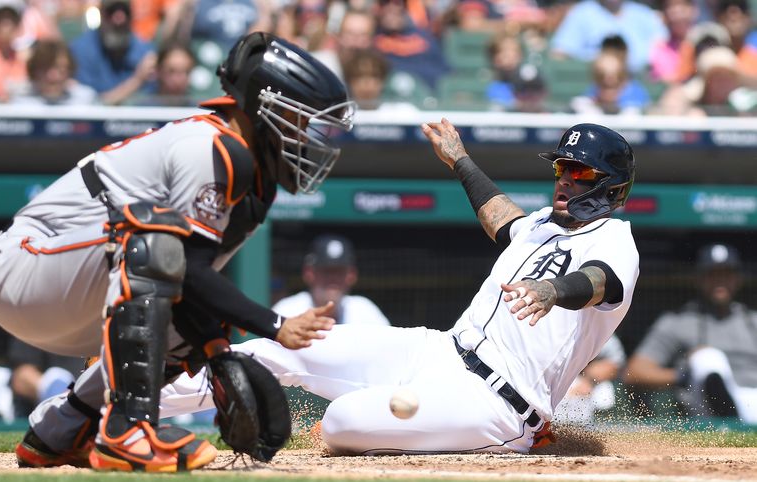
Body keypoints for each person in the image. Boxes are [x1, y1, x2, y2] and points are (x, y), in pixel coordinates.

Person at [0, 32, 355, 471]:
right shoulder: (211, 146)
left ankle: (63, 429)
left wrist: (216, 352)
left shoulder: (252, 181)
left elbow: (189, 286)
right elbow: (184, 265)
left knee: (190, 325)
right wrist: (274, 325)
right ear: (264, 108)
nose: (306, 136)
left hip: (66, 284)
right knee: (156, 246)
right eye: (299, 119)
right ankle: (127, 431)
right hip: (23, 266)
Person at [160, 120, 640, 455]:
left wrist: (553, 291)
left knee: (342, 422)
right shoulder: (542, 223)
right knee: (287, 345)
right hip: (440, 351)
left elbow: (600, 282)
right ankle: (125, 403)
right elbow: (502, 219)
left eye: (580, 174)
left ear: (613, 189)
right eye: (561, 168)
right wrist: (460, 160)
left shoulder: (616, 239)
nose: (565, 180)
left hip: (498, 404)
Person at [624, 243, 757, 424]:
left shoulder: (753, 320)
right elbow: (635, 372)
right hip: (706, 412)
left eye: (726, 273)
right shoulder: (678, 321)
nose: (720, 281)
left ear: (737, 279)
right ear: (699, 279)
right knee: (706, 357)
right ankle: (728, 426)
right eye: (712, 274)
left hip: (752, 399)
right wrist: (684, 375)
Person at [274, 234, 389, 326]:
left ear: (351, 275)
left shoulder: (365, 311)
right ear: (309, 273)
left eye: (339, 271)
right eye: (326, 271)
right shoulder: (287, 311)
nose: (333, 279)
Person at [68, 0, 157, 105]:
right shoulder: (80, 50)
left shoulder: (145, 51)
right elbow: (93, 104)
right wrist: (137, 80)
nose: (119, 19)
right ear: (101, 15)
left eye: (125, 12)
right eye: (112, 12)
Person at [553, 334, 626, 425]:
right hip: (558, 379)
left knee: (604, 393)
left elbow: (613, 365)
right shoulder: (556, 333)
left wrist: (588, 380)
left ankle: (600, 426)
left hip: (586, 381)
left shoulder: (603, 334)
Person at [9, 38, 99, 106]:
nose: (52, 77)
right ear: (34, 71)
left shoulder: (86, 101)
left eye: (60, 69)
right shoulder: (18, 103)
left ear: (70, 71)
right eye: (45, 69)